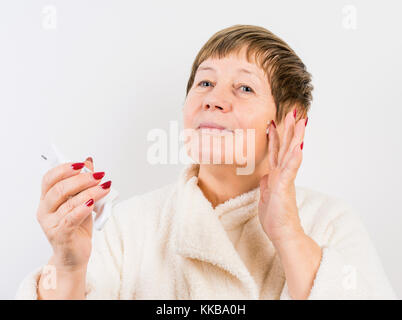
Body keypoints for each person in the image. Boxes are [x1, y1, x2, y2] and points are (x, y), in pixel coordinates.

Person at [16, 24, 396, 300]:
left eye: (244, 87)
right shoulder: (129, 228)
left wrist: (288, 233)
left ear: (289, 122)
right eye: (204, 83)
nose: (214, 99)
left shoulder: (328, 222)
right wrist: (67, 266)